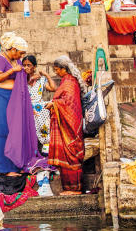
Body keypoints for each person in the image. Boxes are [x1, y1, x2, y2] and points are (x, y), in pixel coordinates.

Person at [0, 32, 48, 178]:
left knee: (16, 131)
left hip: (15, 99)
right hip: (0, 98)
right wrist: (12, 70)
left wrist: (26, 73)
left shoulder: (18, 61)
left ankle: (18, 164)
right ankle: (5, 168)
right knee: (2, 131)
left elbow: (22, 79)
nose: (21, 57)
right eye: (20, 53)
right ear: (13, 50)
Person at [47, 55, 86, 195]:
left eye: (57, 70)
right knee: (66, 156)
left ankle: (75, 189)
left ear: (64, 69)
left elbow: (68, 103)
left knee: (71, 154)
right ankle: (68, 188)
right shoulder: (67, 80)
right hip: (66, 122)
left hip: (70, 124)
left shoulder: (70, 82)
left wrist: (54, 104)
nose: (56, 72)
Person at [22, 55, 56, 154]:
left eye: (29, 65)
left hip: (38, 108)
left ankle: (46, 143)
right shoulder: (21, 79)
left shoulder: (41, 80)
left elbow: (53, 88)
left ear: (35, 67)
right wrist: (30, 79)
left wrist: (46, 75)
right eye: (24, 65)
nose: (26, 67)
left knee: (45, 107)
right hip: (25, 106)